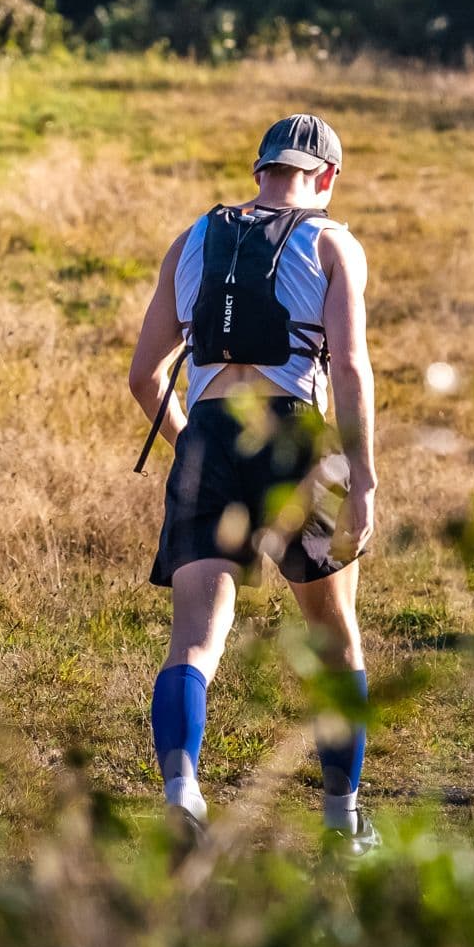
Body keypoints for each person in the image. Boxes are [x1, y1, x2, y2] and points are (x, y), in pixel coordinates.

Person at [127, 114, 380, 851]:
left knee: (195, 643)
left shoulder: (193, 240)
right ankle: (343, 819)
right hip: (297, 434)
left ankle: (182, 792)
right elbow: (351, 365)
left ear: (262, 169)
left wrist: (191, 448)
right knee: (333, 637)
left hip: (209, 434)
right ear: (325, 178)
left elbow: (144, 375)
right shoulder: (333, 242)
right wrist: (362, 474)